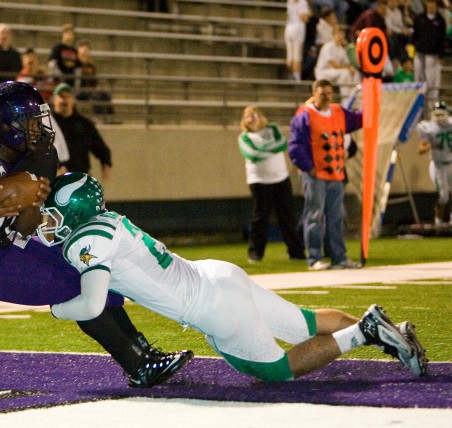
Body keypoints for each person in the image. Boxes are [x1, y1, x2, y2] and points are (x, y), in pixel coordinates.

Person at [0, 81, 192, 388]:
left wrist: (32, 204)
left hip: (15, 243)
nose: (38, 128)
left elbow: (25, 228)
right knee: (77, 286)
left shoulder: (40, 156)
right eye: (30, 121)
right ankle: (138, 365)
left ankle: (144, 353)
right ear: (2, 126)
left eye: (39, 119)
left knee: (92, 274)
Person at [37, 172, 428, 382]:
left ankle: (366, 331)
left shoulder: (83, 241)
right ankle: (386, 332)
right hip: (217, 275)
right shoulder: (110, 220)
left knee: (275, 371)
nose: (47, 224)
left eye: (54, 215)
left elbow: (91, 304)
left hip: (212, 306)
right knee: (303, 323)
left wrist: (54, 310)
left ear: (76, 213)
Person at [288, 79, 363, 271]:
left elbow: (357, 120)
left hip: (336, 173)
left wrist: (370, 106)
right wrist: (308, 167)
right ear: (314, 94)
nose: (327, 97)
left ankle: (339, 257)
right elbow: (295, 146)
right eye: (323, 94)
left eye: (329, 93)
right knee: (315, 216)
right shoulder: (304, 115)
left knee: (336, 217)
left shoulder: (338, 111)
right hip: (316, 174)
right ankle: (314, 257)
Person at [237, 106, 305, 263]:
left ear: (261, 116)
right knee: (260, 218)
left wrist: (263, 149)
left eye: (254, 115)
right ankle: (255, 253)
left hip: (281, 178)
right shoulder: (244, 137)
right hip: (259, 181)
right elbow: (252, 155)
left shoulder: (272, 129)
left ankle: (296, 252)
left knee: (287, 216)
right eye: (248, 116)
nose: (252, 119)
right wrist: (269, 149)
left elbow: (281, 144)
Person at [51, 83, 112, 179]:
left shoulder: (84, 123)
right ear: (54, 100)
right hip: (55, 179)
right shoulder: (47, 124)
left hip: (80, 177)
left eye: (68, 96)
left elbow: (99, 145)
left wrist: (106, 163)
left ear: (73, 100)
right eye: (61, 96)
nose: (64, 100)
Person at [416, 101, 452, 227]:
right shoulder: (427, 127)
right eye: (437, 115)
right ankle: (438, 223)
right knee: (443, 196)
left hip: (451, 163)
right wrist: (430, 145)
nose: (439, 117)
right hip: (438, 165)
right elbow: (420, 149)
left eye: (441, 114)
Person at [314, 25, 361, 104]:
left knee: (355, 72)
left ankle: (356, 98)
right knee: (345, 73)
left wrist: (347, 46)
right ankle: (345, 100)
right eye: (338, 34)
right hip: (323, 73)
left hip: (335, 73)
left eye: (342, 34)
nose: (340, 36)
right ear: (334, 35)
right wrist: (347, 68)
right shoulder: (328, 47)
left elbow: (349, 63)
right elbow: (334, 65)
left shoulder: (341, 48)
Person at [412, 0, 447, 104]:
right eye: (429, 3)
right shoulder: (419, 18)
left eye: (433, 3)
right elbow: (414, 34)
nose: (431, 5)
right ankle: (418, 105)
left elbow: (442, 39)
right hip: (419, 53)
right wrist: (412, 45)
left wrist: (441, 55)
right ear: (426, 4)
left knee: (432, 82)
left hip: (433, 55)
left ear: (436, 5)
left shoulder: (440, 20)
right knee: (419, 79)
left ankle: (431, 105)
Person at [75, 39, 116, 121]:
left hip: (90, 90)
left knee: (105, 94)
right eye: (82, 49)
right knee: (95, 95)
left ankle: (110, 118)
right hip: (78, 90)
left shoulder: (91, 65)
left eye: (86, 49)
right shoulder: (76, 63)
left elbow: (94, 81)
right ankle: (96, 117)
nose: (85, 52)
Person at [285, 0, 312, 81]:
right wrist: (309, 14)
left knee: (290, 56)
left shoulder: (290, 1)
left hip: (289, 27)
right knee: (297, 56)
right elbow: (304, 17)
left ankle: (290, 75)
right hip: (298, 28)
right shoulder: (302, 2)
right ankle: (297, 79)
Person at [48, 23, 80, 87]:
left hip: (71, 81)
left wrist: (76, 81)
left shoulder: (74, 50)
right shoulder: (57, 47)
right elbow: (52, 64)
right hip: (58, 81)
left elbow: (77, 67)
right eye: (67, 33)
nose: (70, 36)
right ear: (63, 34)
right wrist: (61, 77)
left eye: (71, 34)